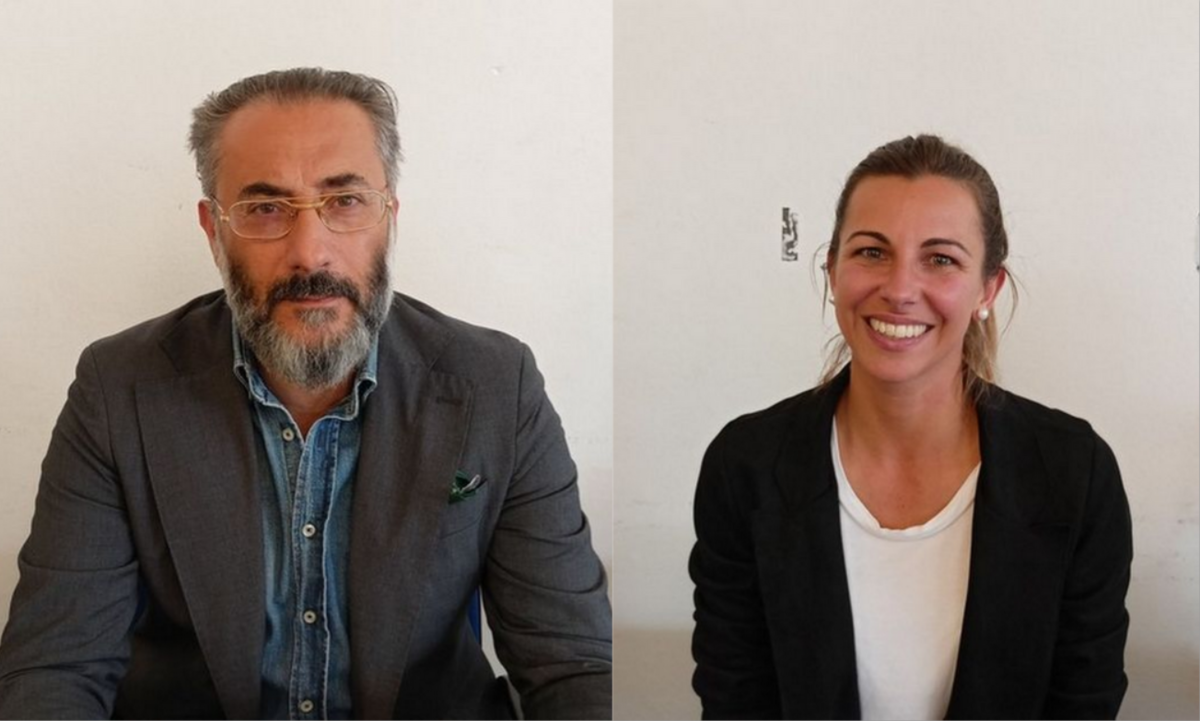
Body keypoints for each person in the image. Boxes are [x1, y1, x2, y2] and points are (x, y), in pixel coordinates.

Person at [0, 68, 612, 720]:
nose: (311, 253)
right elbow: (57, 667)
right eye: (266, 209)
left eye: (345, 201)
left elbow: (573, 664)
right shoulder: (117, 388)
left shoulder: (497, 386)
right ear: (213, 230)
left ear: (389, 216)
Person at [689, 135, 1132, 720]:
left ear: (988, 288)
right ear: (832, 270)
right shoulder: (745, 466)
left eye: (940, 259)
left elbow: (1084, 703)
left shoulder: (1075, 473)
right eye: (872, 252)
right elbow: (736, 702)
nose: (899, 290)